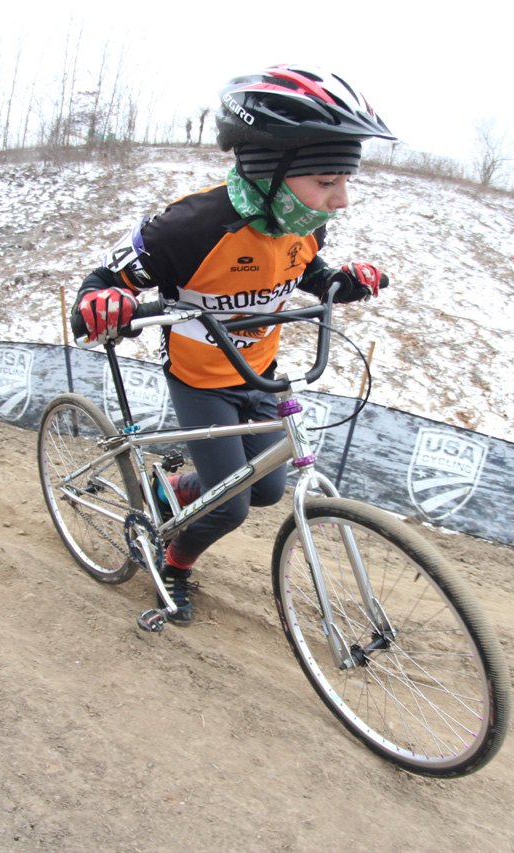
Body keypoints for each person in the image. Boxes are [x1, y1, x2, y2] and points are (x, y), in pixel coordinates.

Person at [74, 64, 396, 626]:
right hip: (200, 381)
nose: (340, 199)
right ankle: (175, 561)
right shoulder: (190, 226)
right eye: (326, 182)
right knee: (230, 507)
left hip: (260, 376)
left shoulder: (303, 219)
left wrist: (340, 282)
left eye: (343, 182)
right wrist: (102, 303)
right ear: (270, 170)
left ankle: (172, 488)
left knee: (268, 487)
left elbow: (303, 272)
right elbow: (105, 279)